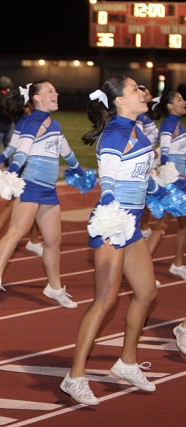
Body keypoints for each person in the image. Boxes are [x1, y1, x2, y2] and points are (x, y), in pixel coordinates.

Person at [60, 76, 160, 406]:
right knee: (105, 300)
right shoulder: (116, 134)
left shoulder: (138, 129)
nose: (142, 93)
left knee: (147, 292)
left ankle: (126, 363)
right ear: (119, 101)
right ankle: (74, 377)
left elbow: (140, 178)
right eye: (135, 90)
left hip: (131, 224)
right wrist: (107, 207)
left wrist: (166, 193)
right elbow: (109, 179)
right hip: (112, 223)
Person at [0, 80, 82, 310]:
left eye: (55, 89)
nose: (55, 93)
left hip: (49, 189)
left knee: (54, 241)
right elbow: (21, 151)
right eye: (49, 91)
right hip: (31, 185)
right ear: (36, 98)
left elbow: (66, 151)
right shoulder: (31, 122)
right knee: (16, 232)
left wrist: (79, 170)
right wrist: (11, 172)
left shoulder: (53, 123)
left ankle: (54, 288)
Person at [0, 89, 43, 257]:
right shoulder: (27, 120)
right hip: (26, 165)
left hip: (35, 165)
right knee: (14, 204)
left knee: (34, 202)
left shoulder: (33, 118)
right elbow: (13, 145)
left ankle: (35, 241)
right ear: (28, 105)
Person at [144, 89, 186, 280]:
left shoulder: (177, 123)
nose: (183, 101)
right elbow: (166, 149)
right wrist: (171, 171)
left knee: (183, 225)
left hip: (180, 180)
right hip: (175, 183)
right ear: (170, 106)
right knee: (162, 227)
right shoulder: (170, 123)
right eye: (179, 99)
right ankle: (141, 268)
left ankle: (178, 264)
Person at [137, 85, 160, 239]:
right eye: (147, 93)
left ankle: (144, 224)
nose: (150, 95)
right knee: (144, 195)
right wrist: (150, 150)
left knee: (148, 195)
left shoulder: (147, 116)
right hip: (145, 159)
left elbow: (154, 136)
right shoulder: (138, 117)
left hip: (151, 159)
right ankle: (141, 226)